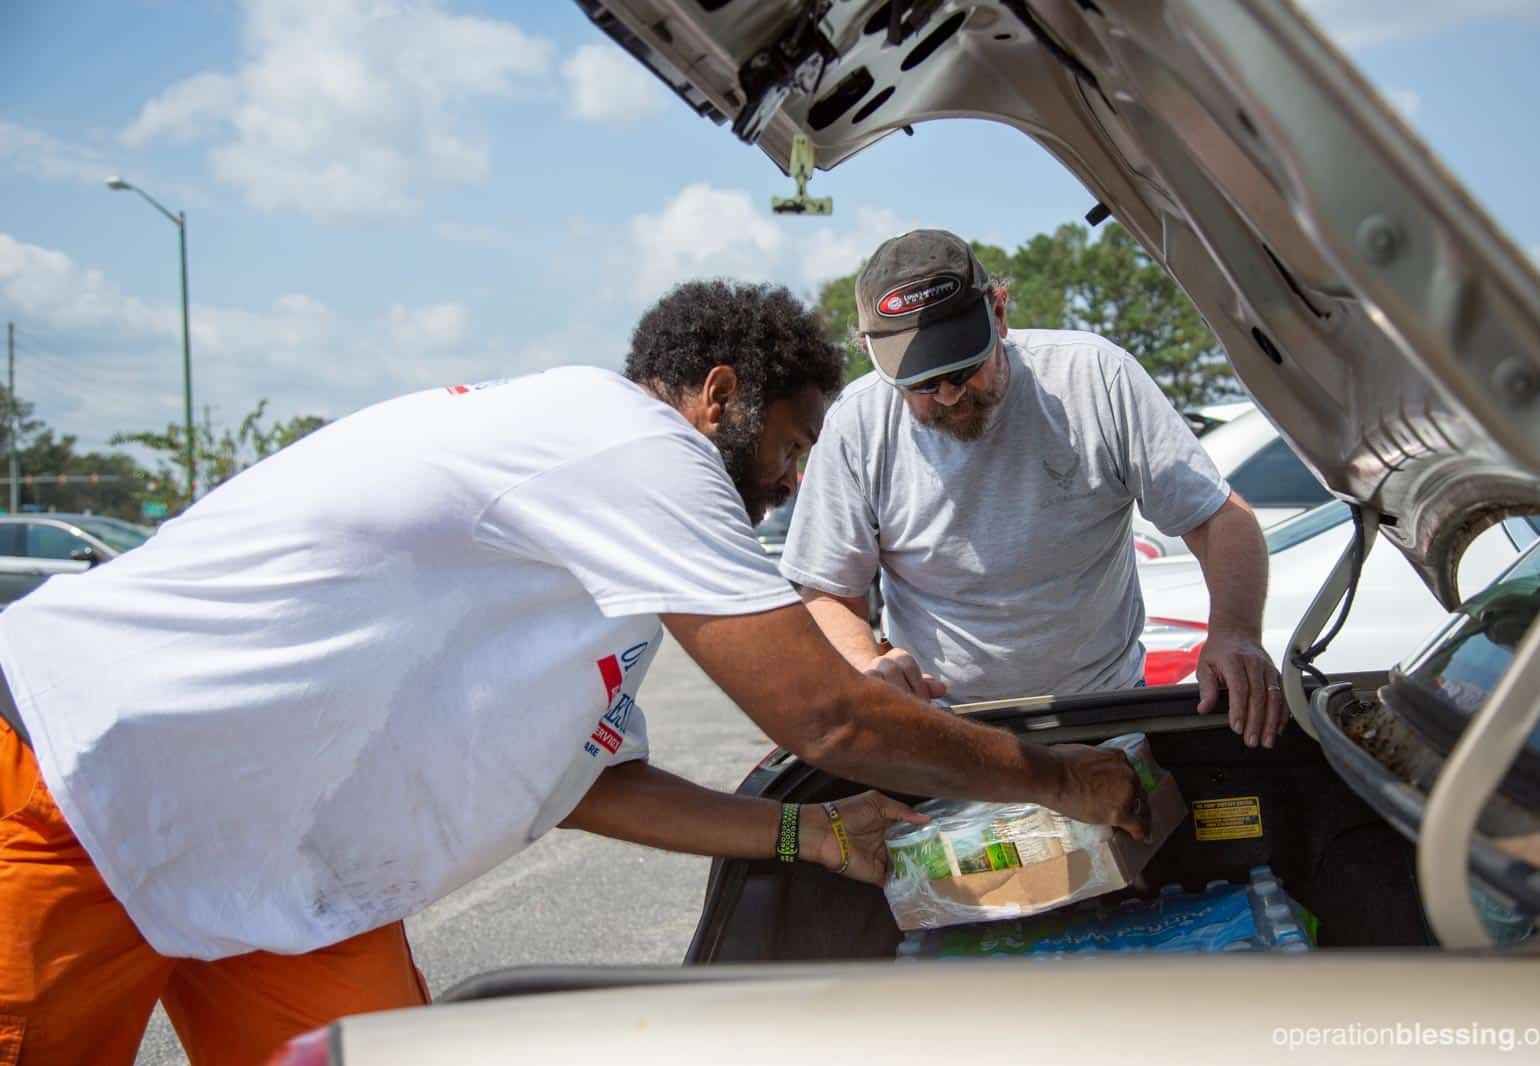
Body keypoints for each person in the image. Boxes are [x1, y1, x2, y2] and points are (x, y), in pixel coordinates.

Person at [0, 279, 1146, 1066]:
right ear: (716, 393)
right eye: (792, 447)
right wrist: (1061, 779)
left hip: (280, 871)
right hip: (86, 786)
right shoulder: (632, 446)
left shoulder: (609, 542)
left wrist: (813, 836)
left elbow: (588, 780)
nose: (795, 483)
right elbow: (824, 716)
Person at [779, 230, 1285, 748]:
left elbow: (1220, 520)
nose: (950, 394)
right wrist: (868, 667)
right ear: (871, 352)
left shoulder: (1095, 379)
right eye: (923, 383)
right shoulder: (857, 425)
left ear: (999, 314)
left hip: (1104, 711)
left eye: (964, 367)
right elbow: (828, 589)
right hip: (944, 727)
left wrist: (1235, 633)